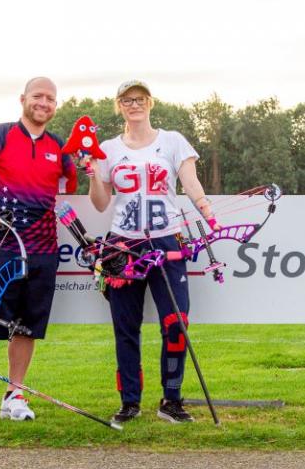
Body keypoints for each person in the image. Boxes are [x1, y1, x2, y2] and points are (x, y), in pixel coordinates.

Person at [87, 80, 215, 424]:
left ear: (150, 103)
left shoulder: (172, 141)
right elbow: (99, 203)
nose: (134, 105)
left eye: (140, 99)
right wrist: (93, 175)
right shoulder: (108, 149)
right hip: (123, 246)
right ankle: (130, 402)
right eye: (127, 100)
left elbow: (189, 181)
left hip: (167, 241)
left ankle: (171, 401)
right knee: (125, 327)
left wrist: (206, 209)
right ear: (119, 105)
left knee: (177, 322)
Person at [0, 77, 77, 427]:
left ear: (56, 106)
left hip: (42, 249)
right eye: (38, 96)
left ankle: (15, 395)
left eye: (51, 99)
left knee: (26, 328)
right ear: (23, 99)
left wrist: (87, 164)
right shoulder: (1, 133)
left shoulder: (60, 146)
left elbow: (70, 184)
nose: (44, 103)